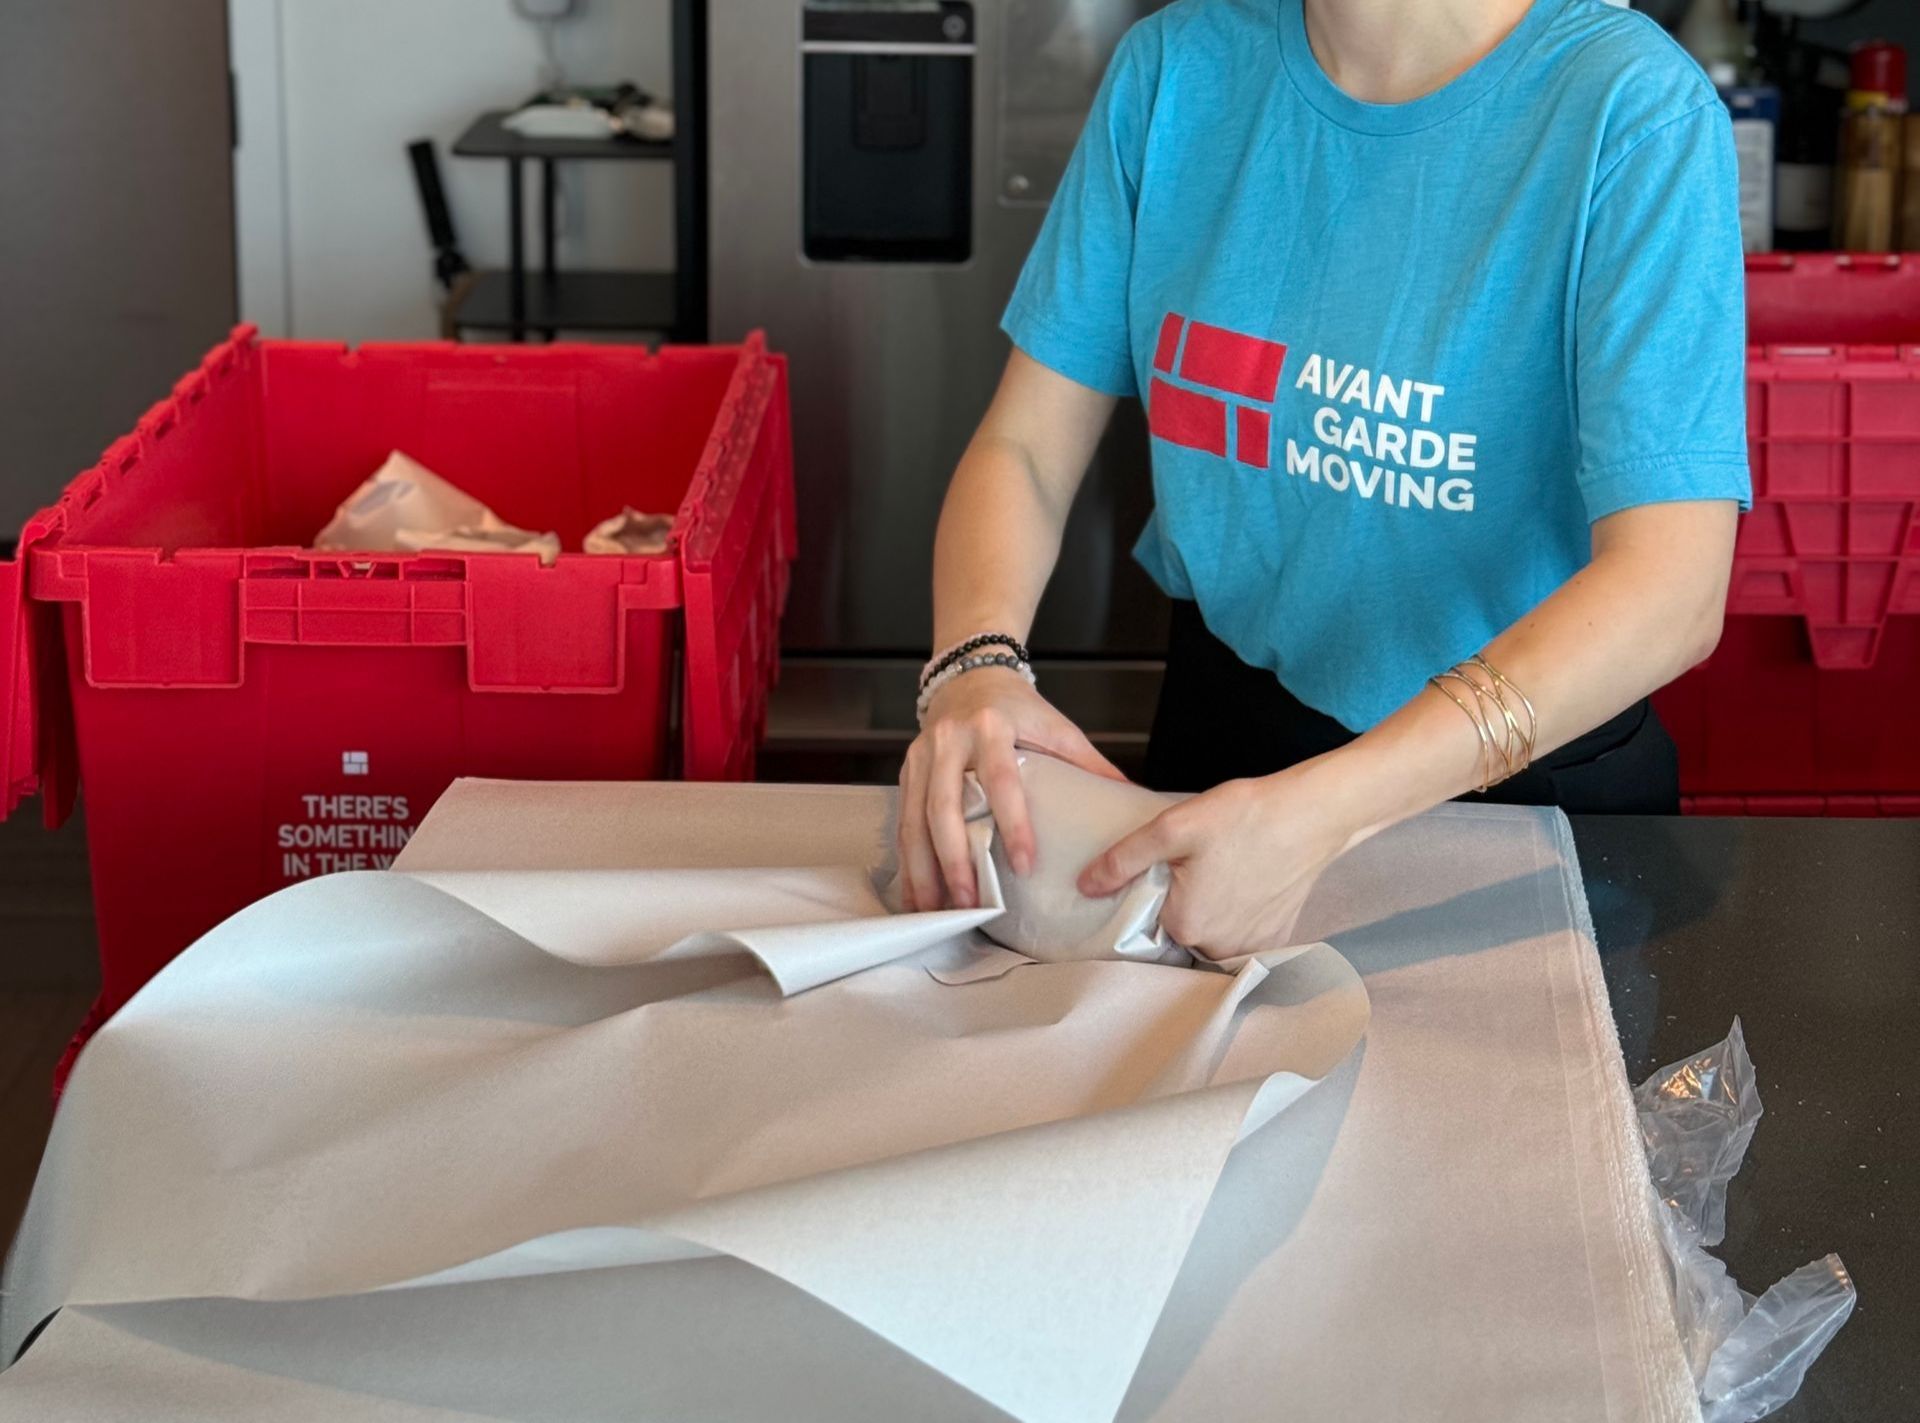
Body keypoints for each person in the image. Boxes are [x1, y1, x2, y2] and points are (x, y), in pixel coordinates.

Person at [897, 0, 1751, 959]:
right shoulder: (1176, 71)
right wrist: (973, 665)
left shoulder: (1632, 111)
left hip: (1517, 791)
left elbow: (1673, 588)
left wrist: (1325, 813)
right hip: (1219, 748)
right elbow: (1024, 448)